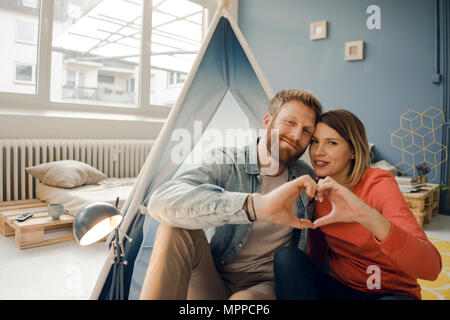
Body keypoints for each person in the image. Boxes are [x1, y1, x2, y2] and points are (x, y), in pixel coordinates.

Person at [139, 90, 322, 300]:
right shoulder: (227, 162)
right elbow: (162, 199)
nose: (297, 135)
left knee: (244, 301)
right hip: (214, 277)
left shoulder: (305, 177)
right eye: (290, 122)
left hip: (265, 285)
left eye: (306, 131)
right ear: (267, 120)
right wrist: (253, 206)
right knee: (174, 227)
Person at [274, 109, 442, 300]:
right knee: (287, 258)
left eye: (332, 143)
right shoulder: (317, 190)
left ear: (353, 150)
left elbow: (431, 269)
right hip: (342, 289)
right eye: (315, 142)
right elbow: (317, 254)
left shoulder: (379, 184)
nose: (318, 152)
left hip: (389, 293)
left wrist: (365, 215)